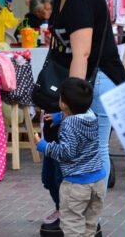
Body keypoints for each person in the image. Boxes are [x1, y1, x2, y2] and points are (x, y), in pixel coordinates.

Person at [40, 0, 125, 232]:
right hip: (85, 79)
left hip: (96, 80)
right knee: (85, 148)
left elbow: (82, 53)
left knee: (95, 149)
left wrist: (72, 103)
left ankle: (91, 219)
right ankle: (75, 211)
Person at [35, 78, 105, 237]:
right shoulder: (92, 116)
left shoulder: (69, 125)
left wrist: (44, 146)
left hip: (76, 185)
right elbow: (78, 115)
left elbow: (66, 153)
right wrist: (61, 116)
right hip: (97, 183)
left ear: (64, 104)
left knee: (72, 225)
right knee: (90, 225)